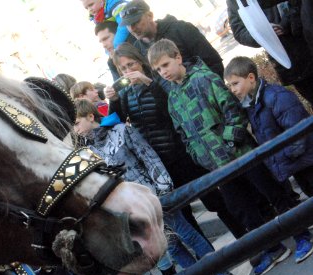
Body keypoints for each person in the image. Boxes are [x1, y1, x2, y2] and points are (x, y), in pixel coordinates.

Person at [148, 38, 313, 275]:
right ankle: (272, 247)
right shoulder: (173, 98)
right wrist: (199, 156)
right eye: (158, 70)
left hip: (241, 154)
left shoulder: (205, 79)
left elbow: (233, 110)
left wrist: (229, 140)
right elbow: (182, 133)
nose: (163, 72)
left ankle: (301, 235)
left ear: (178, 57)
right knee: (243, 210)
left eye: (165, 65)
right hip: (216, 168)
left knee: (274, 194)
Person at [74, 99, 244, 275]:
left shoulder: (121, 130)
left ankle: (223, 274)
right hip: (129, 207)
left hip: (153, 195)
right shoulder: (88, 152)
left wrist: (162, 190)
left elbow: (148, 156)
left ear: (90, 116)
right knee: (170, 246)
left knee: (186, 234)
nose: (75, 130)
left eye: (76, 123)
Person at [105, 42, 248, 247]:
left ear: (142, 62)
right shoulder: (127, 94)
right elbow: (116, 124)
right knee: (184, 213)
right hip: (158, 163)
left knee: (214, 200)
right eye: (123, 69)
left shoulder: (159, 80)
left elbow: (170, 108)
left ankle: (244, 241)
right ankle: (213, 261)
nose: (129, 71)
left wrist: (148, 83)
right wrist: (114, 100)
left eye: (131, 64)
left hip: (181, 154)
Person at [225, 56, 313, 199]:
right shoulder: (252, 105)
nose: (233, 90)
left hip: (305, 161)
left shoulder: (276, 97)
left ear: (251, 77)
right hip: (297, 165)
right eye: (230, 86)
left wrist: (286, 155)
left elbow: (299, 130)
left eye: (235, 83)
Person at [226, 0, 313, 105]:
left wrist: (286, 23)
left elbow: (298, 4)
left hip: (303, 38)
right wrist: (262, 35)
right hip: (287, 57)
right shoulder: (234, 1)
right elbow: (239, 30)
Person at [118, 0, 224, 79]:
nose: (132, 28)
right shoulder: (137, 50)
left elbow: (213, 63)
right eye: (128, 25)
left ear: (149, 16)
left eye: (135, 22)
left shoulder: (181, 29)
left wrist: (211, 93)